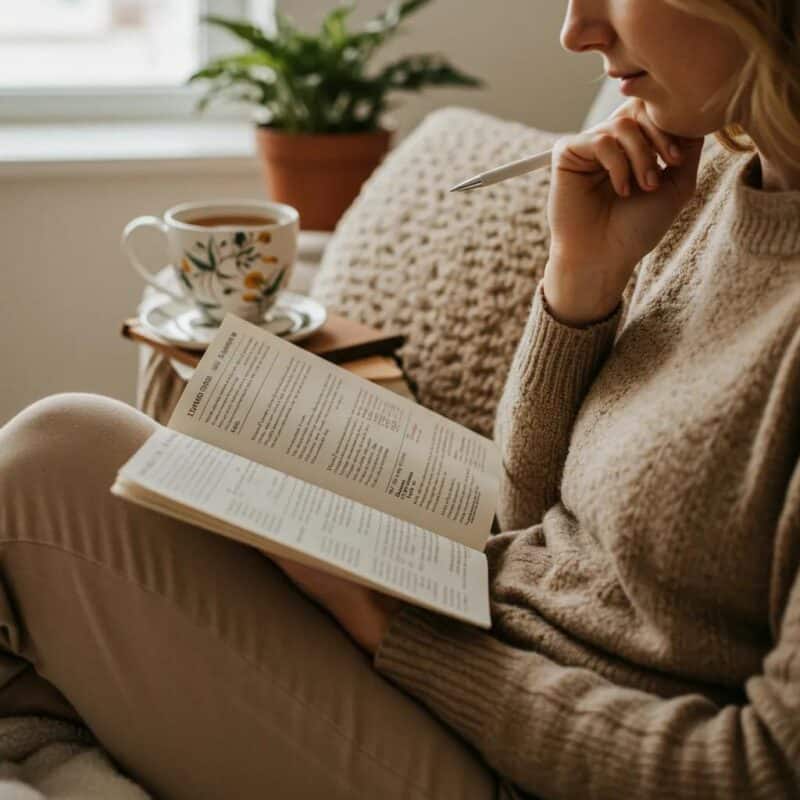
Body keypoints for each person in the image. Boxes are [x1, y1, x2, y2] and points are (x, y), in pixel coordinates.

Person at [1, 0, 798, 797]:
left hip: (531, 753)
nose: (576, 30)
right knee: (77, 454)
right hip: (470, 644)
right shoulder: (713, 175)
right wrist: (580, 284)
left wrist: (390, 628)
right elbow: (529, 511)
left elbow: (760, 771)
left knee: (47, 469)